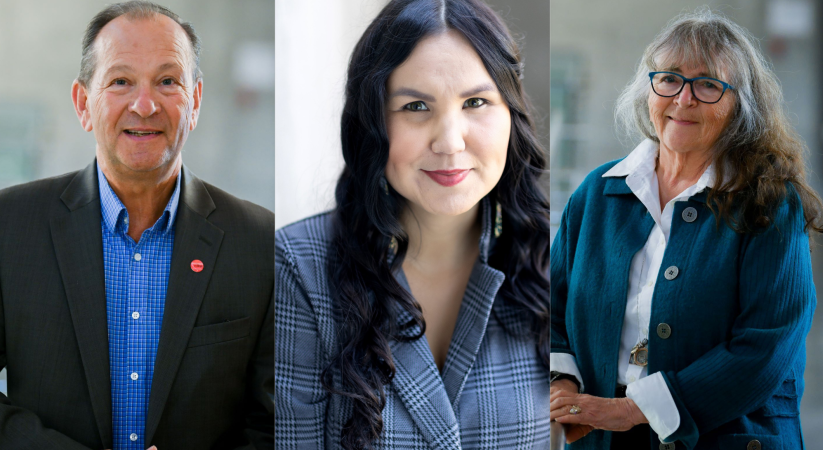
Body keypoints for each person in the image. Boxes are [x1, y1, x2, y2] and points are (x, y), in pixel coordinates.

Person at [275, 0, 550, 448]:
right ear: (373, 123)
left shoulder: (556, 255)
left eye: (476, 102)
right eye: (416, 106)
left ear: (510, 115)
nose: (449, 140)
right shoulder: (297, 267)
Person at [0, 2, 274, 449]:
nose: (144, 105)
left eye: (167, 81)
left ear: (196, 101)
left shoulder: (260, 244)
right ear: (83, 103)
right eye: (121, 81)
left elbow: (274, 424)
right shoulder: (10, 228)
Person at [550, 9, 821, 450]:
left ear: (740, 107)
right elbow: (550, 308)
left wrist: (630, 411)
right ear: (649, 88)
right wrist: (561, 386)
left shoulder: (770, 203)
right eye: (670, 78)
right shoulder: (596, 195)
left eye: (709, 84)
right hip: (600, 437)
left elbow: (765, 350)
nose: (683, 98)